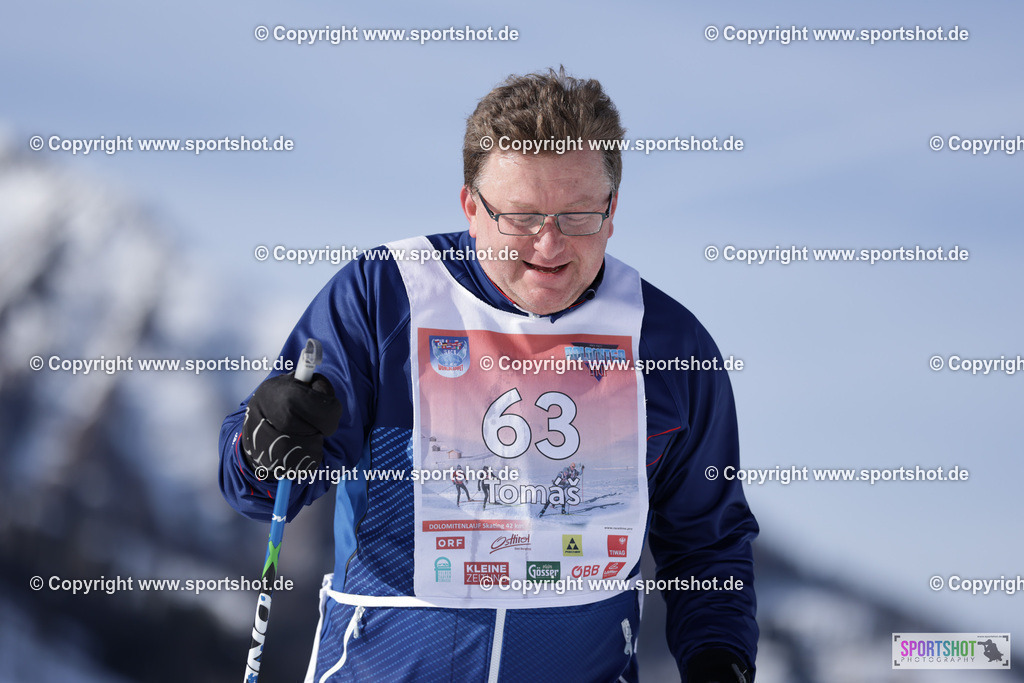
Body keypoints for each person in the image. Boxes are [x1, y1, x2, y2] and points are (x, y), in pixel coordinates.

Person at [219, 67, 758, 683]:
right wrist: (267, 443)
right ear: (471, 208)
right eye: (521, 217)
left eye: (578, 216)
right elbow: (263, 491)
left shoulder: (666, 342)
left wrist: (720, 662)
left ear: (612, 212)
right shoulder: (387, 297)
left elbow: (710, 543)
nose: (549, 246)